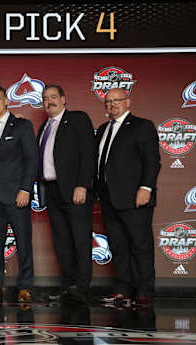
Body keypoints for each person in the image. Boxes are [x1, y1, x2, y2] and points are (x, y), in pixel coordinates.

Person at [96, 88, 160, 307]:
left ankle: (144, 291)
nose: (112, 105)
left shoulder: (142, 126)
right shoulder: (104, 129)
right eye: (108, 101)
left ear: (128, 102)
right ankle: (124, 289)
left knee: (140, 245)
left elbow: (152, 161)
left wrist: (146, 187)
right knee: (119, 246)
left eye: (117, 100)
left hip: (135, 198)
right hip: (108, 198)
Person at [36, 85, 95, 304]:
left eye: (53, 97)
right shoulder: (45, 126)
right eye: (45, 98)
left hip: (74, 190)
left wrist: (83, 185)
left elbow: (89, 153)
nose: (49, 101)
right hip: (51, 190)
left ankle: (82, 288)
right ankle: (68, 286)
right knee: (62, 242)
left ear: (63, 99)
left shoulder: (78, 119)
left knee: (80, 240)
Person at [0, 85, 37, 302]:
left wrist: (25, 189)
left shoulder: (22, 125)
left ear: (6, 101)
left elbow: (32, 159)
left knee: (23, 241)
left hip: (16, 194)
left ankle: (25, 286)